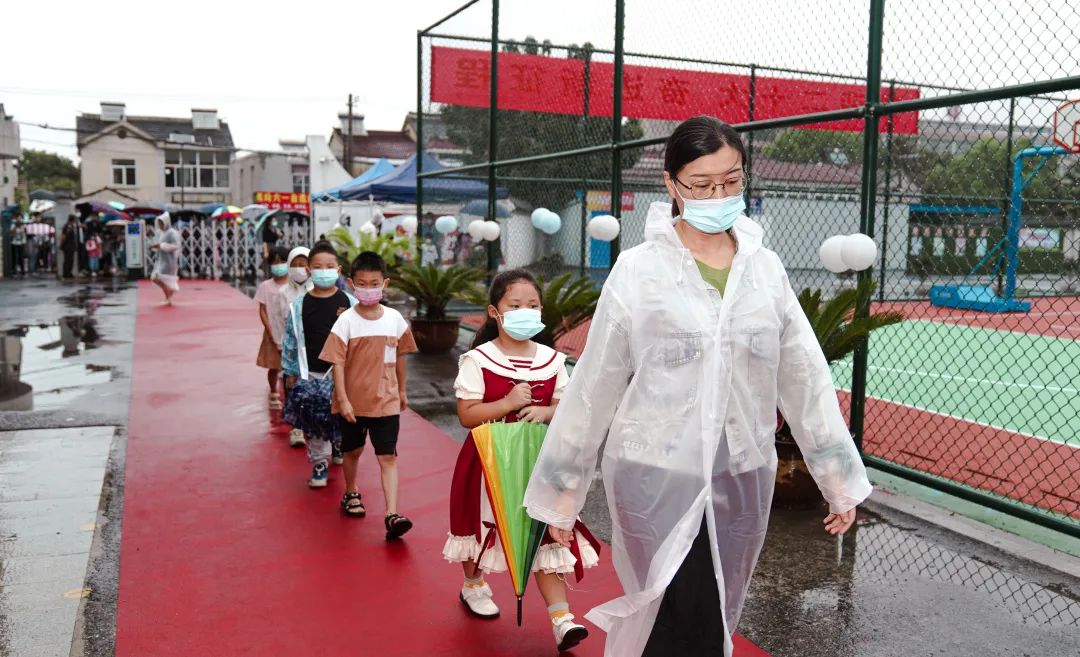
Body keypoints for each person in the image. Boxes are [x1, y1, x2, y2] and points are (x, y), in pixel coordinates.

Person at [523, 116, 873, 657]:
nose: (720, 195)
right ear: (671, 184)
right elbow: (595, 384)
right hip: (656, 470)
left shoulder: (765, 269)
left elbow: (802, 375)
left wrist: (838, 479)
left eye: (731, 182)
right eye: (703, 185)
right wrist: (560, 496)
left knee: (713, 609)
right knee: (674, 609)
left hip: (737, 472)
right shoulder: (639, 271)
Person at [444, 269, 598, 653]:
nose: (525, 312)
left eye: (532, 306)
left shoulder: (552, 360)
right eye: (515, 306)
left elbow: (565, 405)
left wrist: (547, 413)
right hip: (488, 464)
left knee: (547, 533)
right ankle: (474, 584)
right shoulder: (478, 359)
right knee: (485, 526)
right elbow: (467, 414)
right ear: (494, 312)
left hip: (540, 464)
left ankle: (562, 620)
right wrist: (507, 404)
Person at [320, 252, 418, 538]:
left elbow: (401, 356)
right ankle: (351, 492)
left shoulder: (395, 319)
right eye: (362, 283)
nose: (368, 288)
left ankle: (392, 514)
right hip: (352, 403)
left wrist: (401, 390)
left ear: (384, 283)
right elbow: (337, 362)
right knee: (352, 451)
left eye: (374, 283)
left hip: (385, 401)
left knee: (387, 456)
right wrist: (343, 399)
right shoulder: (346, 322)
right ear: (351, 284)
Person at [281, 241, 356, 488]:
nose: (324, 270)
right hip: (311, 371)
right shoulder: (299, 306)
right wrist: (291, 372)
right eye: (318, 266)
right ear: (310, 271)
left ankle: (336, 445)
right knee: (314, 417)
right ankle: (319, 463)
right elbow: (291, 340)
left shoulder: (351, 302)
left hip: (344, 374)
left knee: (339, 417)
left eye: (330, 266)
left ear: (339, 269)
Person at [273, 246, 313, 447]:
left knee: (314, 387)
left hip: (314, 347)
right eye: (294, 265)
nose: (299, 269)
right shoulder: (283, 292)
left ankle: (314, 426)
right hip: (292, 348)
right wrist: (281, 345)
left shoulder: (318, 290)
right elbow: (279, 319)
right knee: (292, 385)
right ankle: (297, 429)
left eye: (303, 264)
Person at [256, 246, 291, 411]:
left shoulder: (293, 285)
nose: (279, 265)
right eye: (275, 262)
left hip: (290, 332)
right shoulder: (265, 286)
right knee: (274, 365)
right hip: (272, 331)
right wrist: (269, 329)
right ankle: (273, 392)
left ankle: (289, 394)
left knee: (290, 367)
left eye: (282, 261)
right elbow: (262, 310)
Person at [149, 213, 182, 305]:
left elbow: (175, 246)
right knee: (157, 278)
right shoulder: (160, 233)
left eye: (161, 223)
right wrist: (156, 246)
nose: (160, 226)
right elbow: (159, 244)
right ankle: (168, 296)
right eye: (159, 224)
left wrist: (161, 246)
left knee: (157, 278)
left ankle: (169, 295)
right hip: (161, 260)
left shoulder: (172, 233)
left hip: (169, 261)